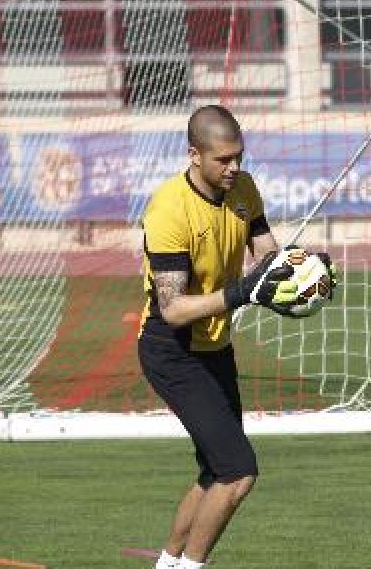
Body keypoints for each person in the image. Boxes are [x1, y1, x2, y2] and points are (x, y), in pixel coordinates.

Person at [138, 104, 323, 569]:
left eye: (239, 156)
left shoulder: (243, 189)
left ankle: (168, 563)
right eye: (223, 159)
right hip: (171, 350)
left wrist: (301, 273)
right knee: (238, 473)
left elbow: (265, 254)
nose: (234, 167)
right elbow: (174, 309)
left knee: (215, 471)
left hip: (215, 347)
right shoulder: (169, 210)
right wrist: (243, 292)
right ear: (194, 155)